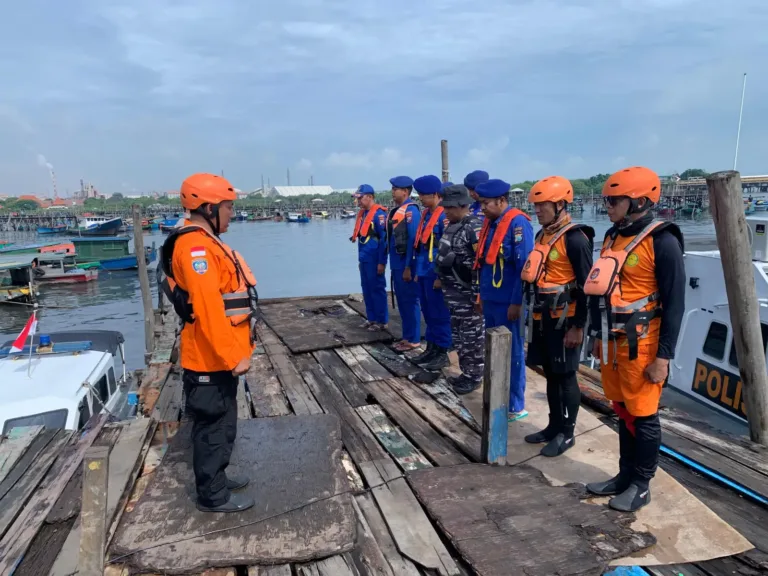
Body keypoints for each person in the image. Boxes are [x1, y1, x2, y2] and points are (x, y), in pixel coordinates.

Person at [584, 166, 685, 512]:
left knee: (643, 416)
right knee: (621, 409)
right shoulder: (613, 236)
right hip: (613, 342)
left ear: (639, 200)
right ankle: (624, 475)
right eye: (608, 200)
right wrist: (596, 336)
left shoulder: (663, 241)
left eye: (615, 200)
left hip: (643, 346)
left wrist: (664, 358)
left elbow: (675, 305)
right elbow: (601, 289)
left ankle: (642, 484)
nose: (608, 206)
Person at [160, 173, 258, 513]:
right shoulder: (196, 247)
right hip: (210, 357)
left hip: (220, 357)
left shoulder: (206, 240)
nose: (232, 213)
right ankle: (212, 495)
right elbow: (208, 309)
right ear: (208, 207)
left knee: (225, 423)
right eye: (228, 207)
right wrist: (233, 356)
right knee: (212, 426)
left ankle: (218, 476)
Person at [521, 176, 594, 457]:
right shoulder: (543, 235)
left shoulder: (575, 239)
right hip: (544, 316)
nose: (537, 210)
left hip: (567, 319)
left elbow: (587, 286)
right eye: (536, 206)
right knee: (550, 373)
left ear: (561, 204)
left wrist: (578, 327)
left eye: (542, 205)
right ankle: (553, 425)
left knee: (565, 376)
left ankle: (568, 432)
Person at [474, 178, 534, 421]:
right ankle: (497, 396)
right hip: (491, 298)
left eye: (486, 203)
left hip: (509, 302)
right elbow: (484, 265)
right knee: (493, 350)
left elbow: (524, 267)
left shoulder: (518, 224)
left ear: (501, 200)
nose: (482, 208)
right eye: (480, 203)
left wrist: (517, 302)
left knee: (513, 352)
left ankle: (515, 404)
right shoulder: (490, 224)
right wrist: (481, 295)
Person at [435, 184, 485, 394]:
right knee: (459, 337)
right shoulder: (452, 225)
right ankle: (466, 373)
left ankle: (475, 376)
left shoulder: (474, 227)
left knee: (472, 338)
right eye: (445, 206)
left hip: (468, 296)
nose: (446, 210)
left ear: (464, 205)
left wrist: (478, 295)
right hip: (453, 295)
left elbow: (479, 264)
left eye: (451, 207)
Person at [412, 175, 452, 370]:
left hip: (435, 272)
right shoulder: (427, 214)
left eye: (423, 195)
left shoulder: (444, 216)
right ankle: (432, 347)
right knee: (427, 311)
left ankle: (442, 351)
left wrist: (440, 276)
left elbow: (447, 249)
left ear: (436, 195)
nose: (420, 198)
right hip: (423, 270)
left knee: (439, 313)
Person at [387, 176, 422, 351]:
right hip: (397, 264)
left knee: (410, 301)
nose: (393, 192)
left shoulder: (411, 212)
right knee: (402, 302)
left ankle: (414, 339)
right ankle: (407, 336)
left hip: (405, 265)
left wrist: (408, 266)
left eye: (396, 189)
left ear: (406, 191)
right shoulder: (398, 210)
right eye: (392, 189)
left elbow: (413, 242)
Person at [350, 184, 388, 331]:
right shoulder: (363, 214)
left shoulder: (379, 215)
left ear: (370, 197)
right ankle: (371, 318)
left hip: (375, 259)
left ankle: (381, 320)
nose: (358, 201)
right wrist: (360, 260)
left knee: (377, 289)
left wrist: (382, 262)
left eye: (360, 198)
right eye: (357, 198)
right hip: (364, 259)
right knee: (366, 289)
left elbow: (384, 241)